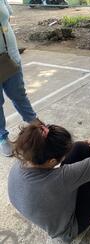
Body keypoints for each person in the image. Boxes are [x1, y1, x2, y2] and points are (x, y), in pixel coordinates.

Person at [0, 0, 37, 156]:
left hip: (10, 56)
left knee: (19, 93)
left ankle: (33, 122)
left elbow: (6, 16)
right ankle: (2, 137)